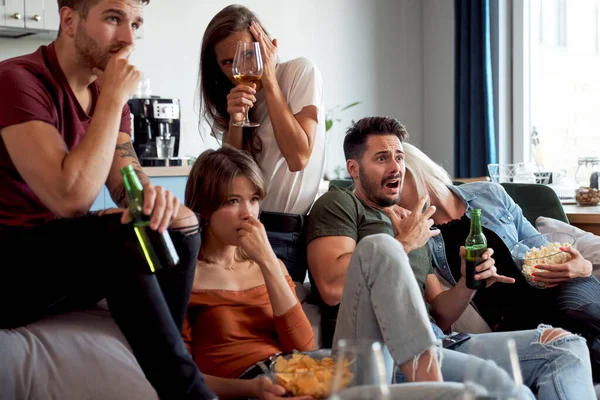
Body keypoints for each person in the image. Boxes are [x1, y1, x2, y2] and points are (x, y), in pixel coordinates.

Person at [0, 1, 215, 399]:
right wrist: (114, 99)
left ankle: (152, 358)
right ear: (68, 20)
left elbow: (126, 182)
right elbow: (71, 200)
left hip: (55, 258)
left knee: (183, 227)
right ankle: (189, 392)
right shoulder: (18, 79)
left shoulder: (106, 93)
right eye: (113, 18)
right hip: (7, 263)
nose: (128, 38)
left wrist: (154, 201)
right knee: (114, 236)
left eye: (135, 23)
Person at [306, 116, 596, 399]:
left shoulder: (414, 225)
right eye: (382, 158)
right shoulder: (340, 204)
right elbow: (332, 289)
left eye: (399, 157)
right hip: (383, 349)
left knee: (566, 348)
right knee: (512, 391)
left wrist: (468, 281)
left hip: (441, 341)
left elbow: (442, 314)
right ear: (353, 168)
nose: (396, 167)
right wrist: (404, 242)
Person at [183, 146, 484, 400]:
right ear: (206, 208)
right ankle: (432, 388)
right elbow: (174, 373)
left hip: (308, 370)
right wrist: (251, 389)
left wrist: (267, 262)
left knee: (500, 386)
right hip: (257, 384)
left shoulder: (265, 264)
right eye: (233, 201)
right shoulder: (185, 278)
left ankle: (429, 383)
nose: (248, 213)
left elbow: (302, 346)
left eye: (254, 200)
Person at [400, 141, 600, 379]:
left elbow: (543, 250)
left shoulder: (489, 194)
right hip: (515, 321)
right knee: (569, 339)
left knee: (577, 316)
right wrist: (469, 281)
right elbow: (440, 316)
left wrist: (584, 267)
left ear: (416, 171)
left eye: (396, 181)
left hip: (559, 288)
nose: (390, 196)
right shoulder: (415, 236)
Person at [198, 5, 326, 282]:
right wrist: (236, 120)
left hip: (283, 232)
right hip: (239, 227)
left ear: (263, 46)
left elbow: (298, 157)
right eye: (226, 63)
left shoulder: (299, 72)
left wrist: (268, 76)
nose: (237, 70)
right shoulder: (233, 96)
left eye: (245, 56)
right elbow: (230, 177)